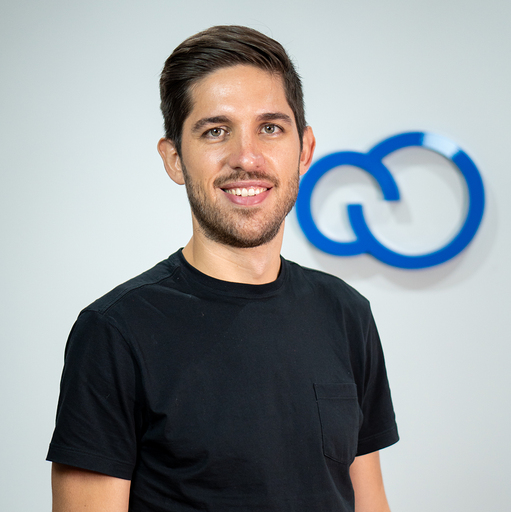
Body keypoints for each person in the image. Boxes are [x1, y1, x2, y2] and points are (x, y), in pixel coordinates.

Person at [47, 25, 398, 512]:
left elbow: (369, 501)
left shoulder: (345, 312)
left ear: (304, 150)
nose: (246, 158)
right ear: (174, 159)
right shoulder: (114, 332)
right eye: (215, 131)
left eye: (270, 128)